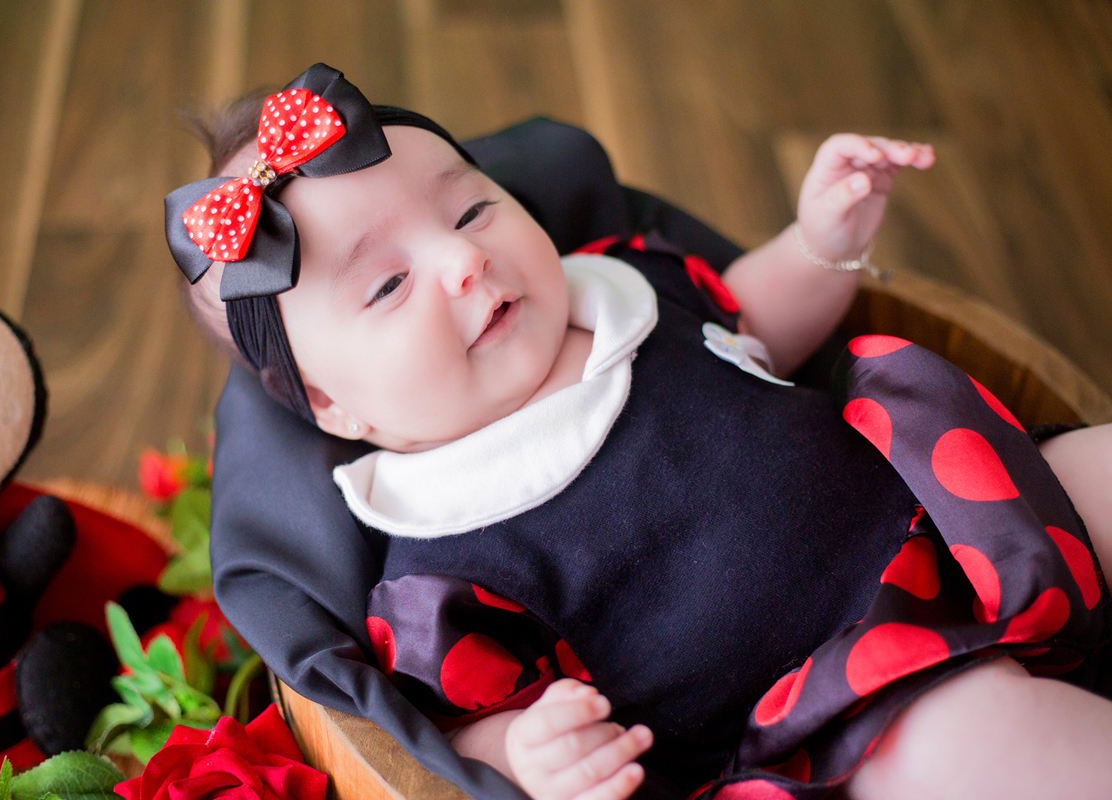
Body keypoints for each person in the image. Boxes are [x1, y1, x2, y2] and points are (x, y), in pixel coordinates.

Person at [166, 65, 1112, 800]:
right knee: (985, 741)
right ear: (338, 409)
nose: (464, 258)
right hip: (843, 703)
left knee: (1092, 468)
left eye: (471, 208)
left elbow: (753, 327)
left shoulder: (623, 282)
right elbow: (454, 733)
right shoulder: (440, 563)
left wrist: (822, 240)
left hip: (947, 510)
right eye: (386, 285)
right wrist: (525, 753)